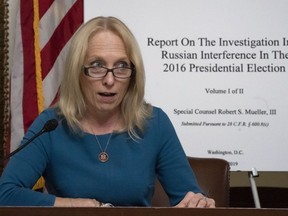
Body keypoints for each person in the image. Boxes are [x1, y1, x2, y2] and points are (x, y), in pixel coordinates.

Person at [0, 16, 215, 208]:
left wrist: (198, 203)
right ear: (77, 72)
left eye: (121, 66)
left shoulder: (154, 123)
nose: (109, 80)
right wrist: (72, 206)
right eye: (97, 66)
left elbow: (188, 199)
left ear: (133, 73)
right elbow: (4, 194)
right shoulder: (51, 126)